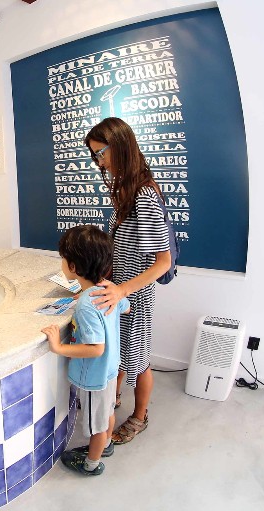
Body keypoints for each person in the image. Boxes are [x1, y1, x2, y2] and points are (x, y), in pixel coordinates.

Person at [84, 117, 172, 445]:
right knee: (118, 351)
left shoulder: (144, 195)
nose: (99, 162)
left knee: (139, 361)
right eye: (95, 155)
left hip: (135, 295)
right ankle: (115, 396)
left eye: (101, 153)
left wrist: (122, 289)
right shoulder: (126, 189)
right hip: (119, 290)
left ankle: (140, 416)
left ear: (119, 145)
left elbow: (163, 262)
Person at [42, 225, 129, 475]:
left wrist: (59, 347)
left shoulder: (86, 306)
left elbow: (95, 348)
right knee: (107, 412)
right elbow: (126, 307)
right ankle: (107, 444)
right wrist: (86, 294)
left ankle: (91, 464)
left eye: (63, 258)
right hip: (110, 370)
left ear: (73, 267)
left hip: (94, 376)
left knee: (96, 426)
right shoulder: (108, 289)